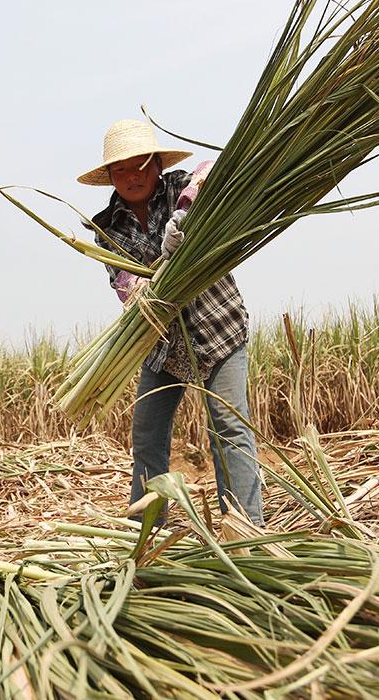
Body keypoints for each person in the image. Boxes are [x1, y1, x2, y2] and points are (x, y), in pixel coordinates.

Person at [78, 118, 263, 525]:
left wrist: (185, 215)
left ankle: (245, 530)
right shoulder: (107, 228)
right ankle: (145, 533)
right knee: (146, 437)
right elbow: (124, 285)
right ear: (110, 177)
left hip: (216, 329)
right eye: (120, 170)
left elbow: (215, 167)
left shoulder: (182, 186)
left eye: (140, 165)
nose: (132, 177)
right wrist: (146, 286)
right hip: (158, 344)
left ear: (158, 164)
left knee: (230, 430)